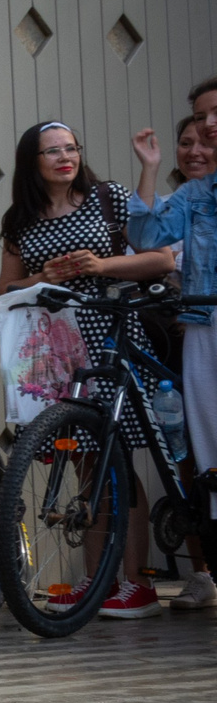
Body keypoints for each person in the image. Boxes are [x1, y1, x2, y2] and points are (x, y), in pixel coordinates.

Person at [0, 122, 169, 621]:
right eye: (52, 151)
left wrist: (101, 267)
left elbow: (159, 258)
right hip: (55, 350)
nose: (65, 157)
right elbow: (7, 289)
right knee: (86, 462)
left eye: (71, 148)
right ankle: (97, 579)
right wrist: (42, 276)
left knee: (117, 458)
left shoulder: (108, 198)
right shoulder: (20, 219)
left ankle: (138, 585)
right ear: (32, 161)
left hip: (110, 337)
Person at [133, 87, 217, 609]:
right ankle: (206, 570)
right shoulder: (193, 196)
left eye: (213, 119)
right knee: (203, 455)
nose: (204, 132)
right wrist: (149, 167)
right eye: (198, 122)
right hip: (199, 329)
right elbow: (146, 238)